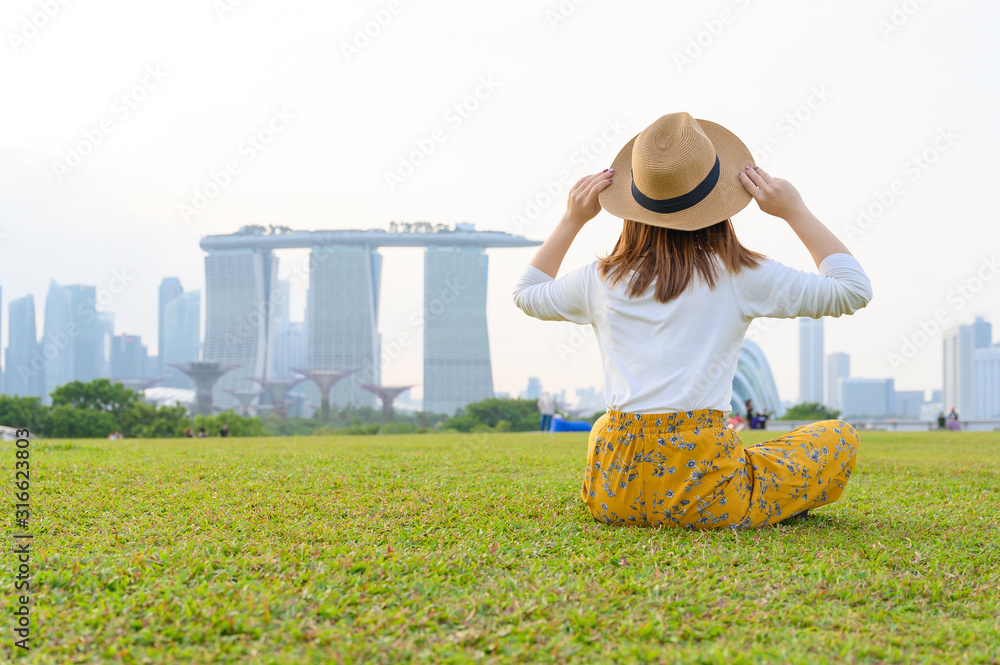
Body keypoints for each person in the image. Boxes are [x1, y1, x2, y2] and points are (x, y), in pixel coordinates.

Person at [513, 112, 872, 529]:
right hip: (704, 492)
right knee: (836, 439)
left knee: (603, 424)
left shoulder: (601, 278)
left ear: (633, 201)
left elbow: (527, 293)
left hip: (614, 492)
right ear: (719, 203)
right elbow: (852, 289)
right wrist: (795, 212)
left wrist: (572, 218)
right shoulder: (740, 274)